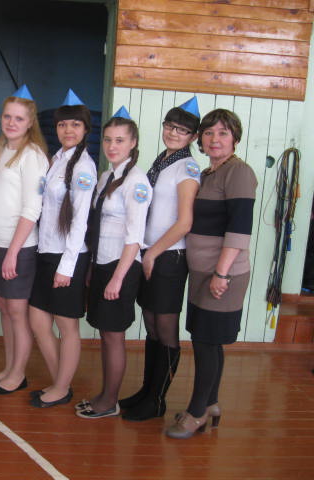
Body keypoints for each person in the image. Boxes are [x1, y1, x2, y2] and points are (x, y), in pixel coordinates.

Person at [166, 109, 257, 438]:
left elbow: (239, 227)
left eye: (222, 133)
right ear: (200, 139)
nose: (214, 139)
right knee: (208, 340)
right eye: (208, 133)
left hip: (223, 274)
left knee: (205, 342)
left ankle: (196, 413)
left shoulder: (239, 172)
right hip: (203, 272)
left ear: (235, 138)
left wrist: (221, 273)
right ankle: (212, 402)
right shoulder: (208, 173)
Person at [120, 97, 201, 421]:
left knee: (165, 329)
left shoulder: (187, 167)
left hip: (169, 256)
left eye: (182, 130)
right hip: (151, 253)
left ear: (193, 136)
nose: (173, 133)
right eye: (170, 126)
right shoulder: (163, 160)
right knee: (151, 324)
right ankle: (147, 391)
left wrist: (152, 253)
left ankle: (157, 400)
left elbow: (184, 222)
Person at [76, 107, 151, 419]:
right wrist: (93, 267)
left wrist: (117, 279)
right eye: (107, 139)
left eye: (120, 140)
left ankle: (109, 401)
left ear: (133, 143)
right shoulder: (108, 176)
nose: (112, 146)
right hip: (103, 262)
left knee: (114, 335)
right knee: (105, 334)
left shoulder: (136, 181)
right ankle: (106, 395)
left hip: (122, 265)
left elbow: (134, 237)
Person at [28, 90, 97, 408]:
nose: (68, 130)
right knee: (38, 320)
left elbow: (80, 221)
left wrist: (66, 267)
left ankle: (61, 387)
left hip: (68, 256)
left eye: (75, 125)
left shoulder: (84, 167)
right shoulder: (56, 159)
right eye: (62, 124)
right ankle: (61, 381)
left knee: (67, 326)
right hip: (46, 251)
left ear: (85, 129)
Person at [0, 85, 49, 394]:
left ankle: (18, 374)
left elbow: (32, 208)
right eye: (7, 116)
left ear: (30, 123)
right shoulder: (0, 150)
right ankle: (9, 368)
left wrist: (12, 252)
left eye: (19, 118)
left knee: (18, 313)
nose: (11, 123)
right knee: (6, 311)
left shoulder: (32, 156)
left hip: (17, 248)